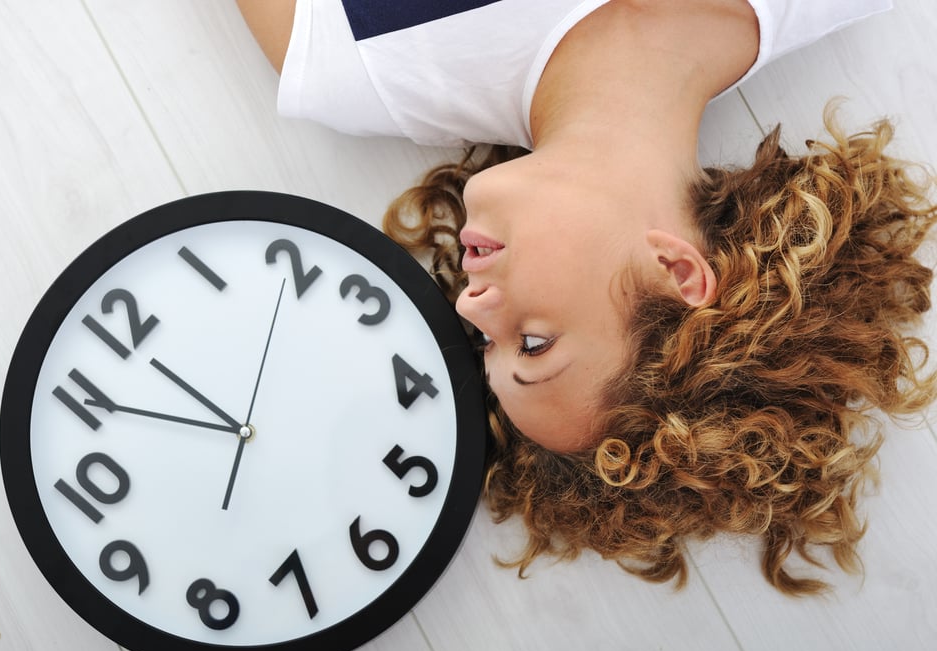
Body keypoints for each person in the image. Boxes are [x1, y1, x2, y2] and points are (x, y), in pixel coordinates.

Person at [236, 0, 936, 594]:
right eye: (533, 344)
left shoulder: (352, 65)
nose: (470, 308)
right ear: (677, 273)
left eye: (489, 344)